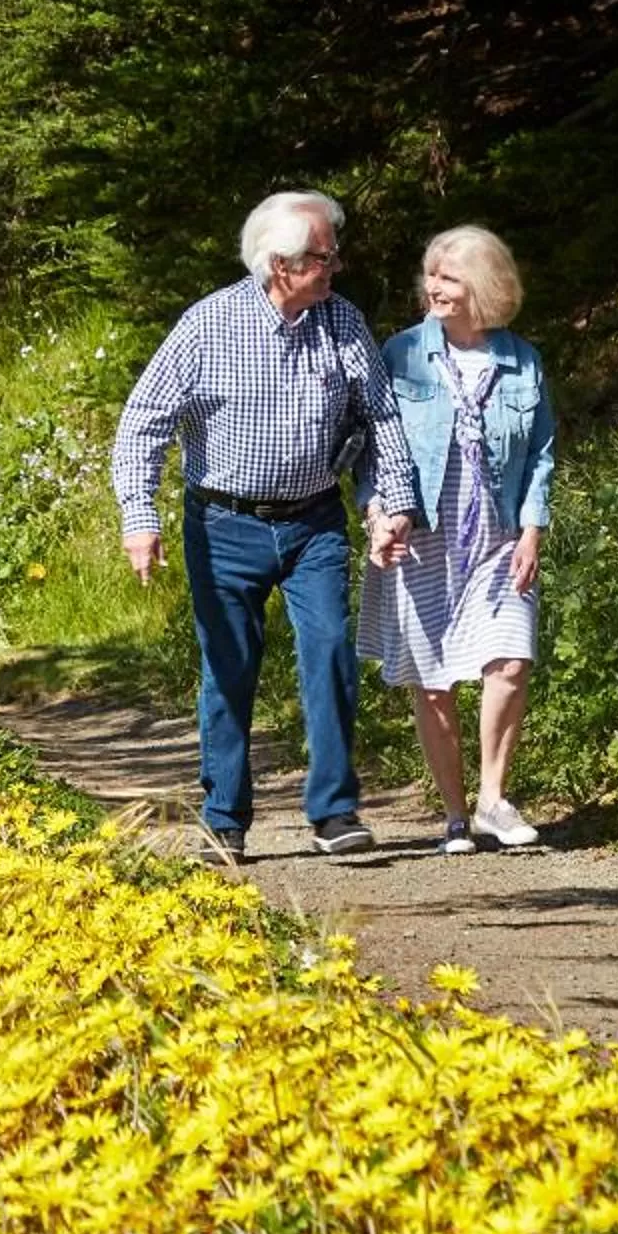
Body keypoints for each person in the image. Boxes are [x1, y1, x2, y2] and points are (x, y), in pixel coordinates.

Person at [112, 190, 422, 864]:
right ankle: (225, 818)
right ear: (281, 264)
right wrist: (141, 519)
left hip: (314, 522)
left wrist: (390, 504)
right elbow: (142, 424)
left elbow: (382, 421)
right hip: (224, 524)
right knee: (229, 667)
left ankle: (335, 813)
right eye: (324, 255)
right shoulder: (208, 326)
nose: (337, 264)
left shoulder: (342, 322)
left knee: (331, 652)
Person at [360, 224, 557, 853]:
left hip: (499, 534)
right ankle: (453, 814)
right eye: (431, 274)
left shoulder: (522, 359)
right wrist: (377, 516)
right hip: (423, 535)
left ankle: (493, 799)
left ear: (483, 285)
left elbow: (542, 454)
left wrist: (532, 530)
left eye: (447, 276)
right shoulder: (401, 354)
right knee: (434, 681)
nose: (433, 286)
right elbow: (372, 448)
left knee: (511, 660)